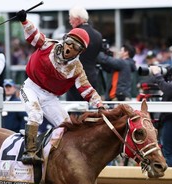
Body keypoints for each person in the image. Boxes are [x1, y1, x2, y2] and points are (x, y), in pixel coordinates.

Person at [15, 10, 105, 165]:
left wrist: (100, 105)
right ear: (64, 40)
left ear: (80, 51)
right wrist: (24, 21)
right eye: (69, 42)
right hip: (30, 88)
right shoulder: (47, 45)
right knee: (35, 114)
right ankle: (29, 152)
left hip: (50, 97)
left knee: (66, 125)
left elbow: (87, 90)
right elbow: (34, 36)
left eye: (75, 47)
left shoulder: (77, 69)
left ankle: (54, 154)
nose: (69, 48)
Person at [66, 6, 103, 101]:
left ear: (77, 19)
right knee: (90, 111)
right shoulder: (98, 35)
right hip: (92, 77)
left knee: (74, 111)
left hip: (75, 79)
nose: (69, 21)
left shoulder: (72, 35)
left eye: (71, 18)